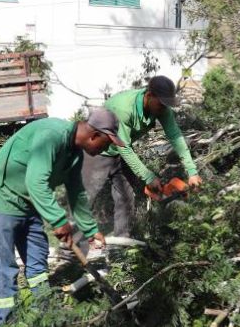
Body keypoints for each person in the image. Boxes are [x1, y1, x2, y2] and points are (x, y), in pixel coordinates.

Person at [0, 109, 125, 325]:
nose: (106, 149)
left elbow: (76, 191)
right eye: (106, 143)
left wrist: (91, 231)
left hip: (28, 203)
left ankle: (46, 317)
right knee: (5, 268)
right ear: (94, 136)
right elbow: (36, 182)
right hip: (0, 199)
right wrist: (59, 220)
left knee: (37, 263)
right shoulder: (52, 135)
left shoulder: (74, 153)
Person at [82, 75, 202, 239]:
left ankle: (121, 248)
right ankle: (69, 248)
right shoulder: (124, 109)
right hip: (95, 150)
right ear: (149, 95)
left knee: (126, 198)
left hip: (120, 151)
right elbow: (123, 147)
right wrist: (147, 176)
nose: (163, 108)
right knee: (85, 197)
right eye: (161, 103)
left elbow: (175, 136)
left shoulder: (161, 108)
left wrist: (192, 171)